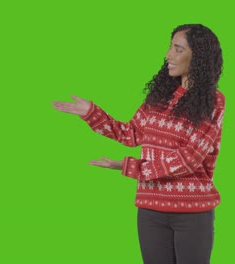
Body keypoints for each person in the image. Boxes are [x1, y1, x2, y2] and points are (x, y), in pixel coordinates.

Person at [52, 24, 225, 264]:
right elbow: (130, 134)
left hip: (192, 213)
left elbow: (189, 159)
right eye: (170, 48)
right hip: (150, 209)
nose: (168, 55)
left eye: (178, 49)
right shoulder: (159, 98)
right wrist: (91, 113)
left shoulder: (213, 102)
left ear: (199, 56)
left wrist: (129, 167)